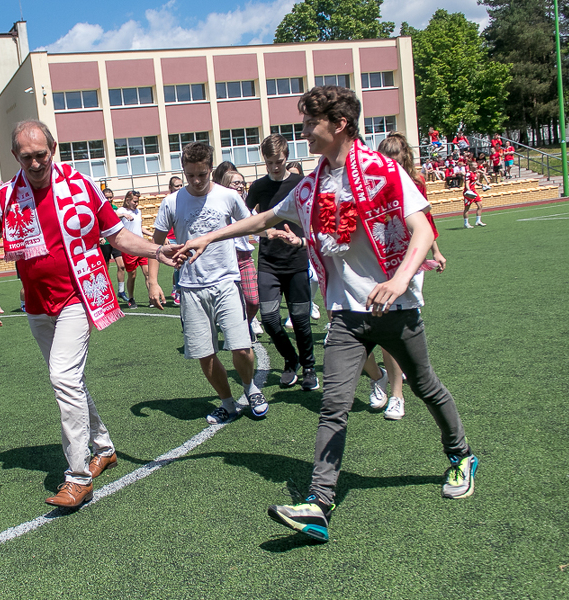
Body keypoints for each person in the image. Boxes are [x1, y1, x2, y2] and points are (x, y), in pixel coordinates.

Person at [177, 86, 477, 542]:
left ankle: (461, 455)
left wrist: (399, 281)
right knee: (333, 406)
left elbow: (422, 229)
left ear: (339, 124)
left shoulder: (383, 170)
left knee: (425, 387)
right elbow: (265, 218)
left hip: (395, 308)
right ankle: (319, 503)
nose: (303, 132)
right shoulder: (312, 185)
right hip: (346, 315)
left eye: (310, 123)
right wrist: (209, 237)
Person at [0, 120, 183, 508]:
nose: (35, 163)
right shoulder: (5, 197)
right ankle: (104, 448)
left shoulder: (81, 185)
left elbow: (117, 235)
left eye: (41, 155)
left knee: (63, 378)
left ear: (53, 149)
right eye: (27, 157)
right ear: (15, 156)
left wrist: (156, 251)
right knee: (71, 381)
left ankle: (78, 476)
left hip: (78, 298)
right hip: (36, 307)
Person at [147, 141, 268, 424]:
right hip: (191, 288)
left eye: (202, 174)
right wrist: (152, 281)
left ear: (211, 169)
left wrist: (271, 233)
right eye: (190, 175)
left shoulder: (228, 196)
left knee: (241, 347)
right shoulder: (172, 202)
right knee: (205, 353)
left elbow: (251, 224)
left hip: (226, 282)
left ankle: (250, 388)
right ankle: (227, 403)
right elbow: (156, 245)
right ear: (183, 171)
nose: (196, 181)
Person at [363, 132, 447, 419]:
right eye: (387, 160)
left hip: (409, 260)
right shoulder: (370, 185)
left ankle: (397, 394)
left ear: (405, 159)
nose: (392, 166)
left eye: (396, 161)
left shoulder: (416, 183)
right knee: (381, 325)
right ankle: (388, 381)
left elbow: (426, 223)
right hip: (380, 259)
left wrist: (436, 251)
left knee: (399, 322)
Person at [245, 133, 317, 390]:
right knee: (269, 318)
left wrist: (305, 238)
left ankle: (309, 367)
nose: (275, 167)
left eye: (279, 161)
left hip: (296, 259)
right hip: (269, 262)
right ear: (264, 160)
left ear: (287, 157)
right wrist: (265, 232)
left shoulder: (302, 183)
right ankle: (290, 359)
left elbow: (315, 213)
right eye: (270, 162)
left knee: (300, 319)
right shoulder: (258, 187)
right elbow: (246, 219)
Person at [219, 169, 262, 336]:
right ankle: (235, 333)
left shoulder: (247, 207)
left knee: (253, 301)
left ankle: (247, 324)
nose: (240, 186)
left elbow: (257, 226)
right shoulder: (219, 207)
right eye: (236, 183)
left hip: (244, 258)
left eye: (242, 183)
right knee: (231, 303)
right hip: (224, 260)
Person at [117, 190, 154, 308]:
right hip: (129, 247)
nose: (136, 204)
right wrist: (124, 215)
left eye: (137, 201)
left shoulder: (138, 212)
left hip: (141, 245)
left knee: (147, 272)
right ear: (128, 200)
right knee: (132, 275)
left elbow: (139, 227)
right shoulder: (121, 210)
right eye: (134, 201)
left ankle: (152, 297)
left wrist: (152, 234)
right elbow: (112, 216)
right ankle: (131, 298)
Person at [102, 187, 129, 301]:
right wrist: (100, 236)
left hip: (115, 241)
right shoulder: (100, 209)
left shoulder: (115, 208)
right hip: (104, 242)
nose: (109, 200)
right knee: (105, 268)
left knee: (121, 265)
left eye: (110, 197)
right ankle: (104, 292)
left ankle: (121, 291)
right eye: (106, 198)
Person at [166, 177, 184, 304]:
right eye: (177, 186)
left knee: (182, 265)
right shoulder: (167, 202)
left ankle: (176, 288)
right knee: (178, 265)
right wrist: (165, 238)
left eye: (181, 185)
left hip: (182, 237)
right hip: (172, 239)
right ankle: (178, 291)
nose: (179, 188)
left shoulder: (186, 200)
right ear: (171, 188)